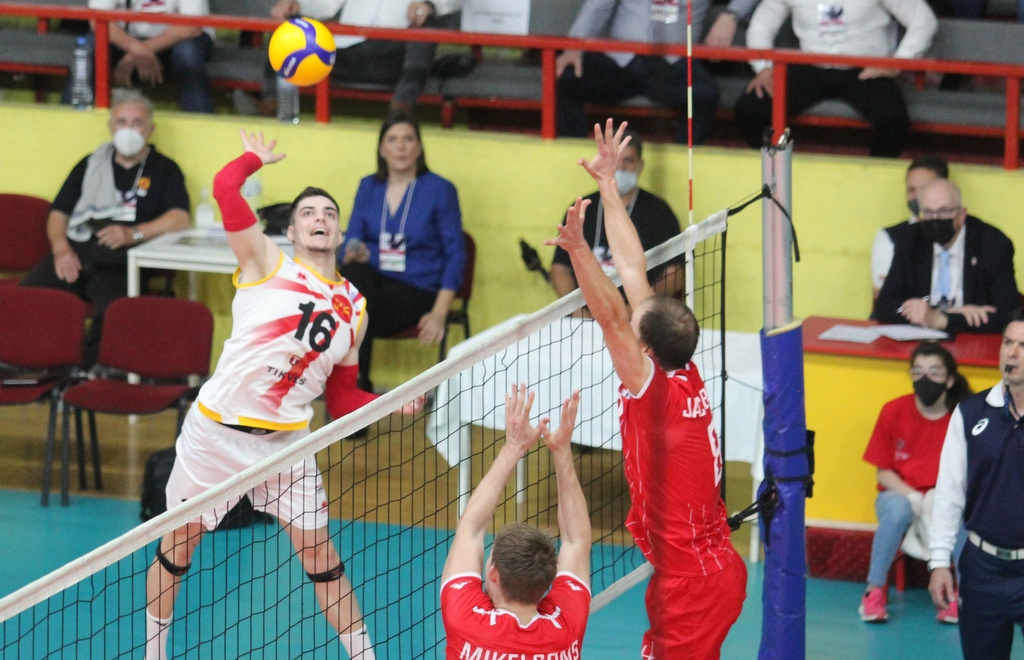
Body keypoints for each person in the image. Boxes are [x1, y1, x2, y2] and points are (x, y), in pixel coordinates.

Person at [143, 130, 418, 660]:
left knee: (322, 560)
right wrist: (255, 159)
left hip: (287, 448)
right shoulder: (265, 261)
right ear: (291, 230)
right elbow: (225, 188)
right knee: (179, 546)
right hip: (216, 435)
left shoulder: (355, 308)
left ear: (339, 231)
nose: (320, 218)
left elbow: (341, 401)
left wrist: (386, 402)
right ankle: (154, 655)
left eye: (330, 213)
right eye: (309, 212)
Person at [547, 119, 745, 658]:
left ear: (647, 351)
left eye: (638, 328)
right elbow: (635, 270)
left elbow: (613, 319)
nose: (633, 319)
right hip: (706, 569)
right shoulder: (684, 368)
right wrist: (608, 187)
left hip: (692, 585)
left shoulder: (655, 392)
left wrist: (578, 251)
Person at [20, 89, 190, 367]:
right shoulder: (90, 164)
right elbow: (58, 213)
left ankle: (83, 372)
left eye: (137, 123)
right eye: (121, 122)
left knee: (113, 309)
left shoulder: (164, 169)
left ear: (150, 129)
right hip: (79, 250)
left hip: (122, 259)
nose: (128, 130)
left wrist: (132, 234)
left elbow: (179, 218)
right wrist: (61, 249)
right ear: (111, 126)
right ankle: (27, 364)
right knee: (26, 296)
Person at [440, 385, 591, 659]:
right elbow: (576, 541)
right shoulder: (565, 629)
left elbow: (470, 529)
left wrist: (513, 447)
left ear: (494, 574)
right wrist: (561, 450)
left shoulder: (465, 619)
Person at [338, 111, 465, 391]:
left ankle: (353, 389)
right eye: (392, 140)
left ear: (419, 147)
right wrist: (354, 250)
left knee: (353, 311)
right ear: (381, 148)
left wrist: (439, 312)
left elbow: (456, 255)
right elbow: (352, 238)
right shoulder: (368, 186)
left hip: (417, 289)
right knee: (352, 279)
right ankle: (356, 385)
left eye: (408, 139)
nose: (401, 147)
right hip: (372, 281)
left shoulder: (440, 190)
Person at [928, 310, 1024, 660]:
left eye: (1022, 346)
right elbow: (949, 492)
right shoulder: (969, 413)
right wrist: (939, 560)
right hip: (982, 570)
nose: (1011, 353)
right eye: (1007, 343)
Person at [734, 0, 937, 157]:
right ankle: (777, 174)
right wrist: (763, 68)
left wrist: (898, 62)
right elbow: (761, 26)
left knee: (893, 121)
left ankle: (871, 180)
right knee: (749, 109)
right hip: (809, 67)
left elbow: (923, 19)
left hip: (865, 70)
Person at [859, 342, 971, 624]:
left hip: (946, 495)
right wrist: (913, 496)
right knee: (897, 511)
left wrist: (939, 498)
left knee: (962, 515)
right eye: (918, 371)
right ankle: (873, 592)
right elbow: (883, 473)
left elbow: (970, 474)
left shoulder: (963, 417)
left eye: (934, 372)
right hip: (899, 493)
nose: (925, 379)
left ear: (949, 379)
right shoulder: (893, 410)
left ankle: (960, 596)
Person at [555, 0, 763, 146]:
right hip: (621, 59)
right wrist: (575, 46)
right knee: (567, 78)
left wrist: (731, 15)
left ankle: (681, 165)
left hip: (674, 64)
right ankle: (575, 157)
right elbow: (598, 5)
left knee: (703, 95)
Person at [234, 0, 461, 116]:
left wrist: (428, 5)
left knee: (426, 26)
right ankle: (272, 103)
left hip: (392, 56)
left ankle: (401, 109)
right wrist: (296, 4)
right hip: (344, 51)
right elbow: (326, 4)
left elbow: (452, 2)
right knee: (291, 26)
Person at [550, 127, 684, 307]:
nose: (620, 168)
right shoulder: (582, 208)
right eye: (615, 160)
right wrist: (576, 311)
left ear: (640, 165)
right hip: (585, 314)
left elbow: (675, 273)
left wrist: (639, 307)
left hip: (638, 312)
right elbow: (560, 267)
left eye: (628, 160)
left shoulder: (659, 211)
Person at [874, 179, 1019, 334]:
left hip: (970, 338)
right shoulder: (910, 241)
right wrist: (935, 314)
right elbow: (886, 306)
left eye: (943, 211)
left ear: (962, 215)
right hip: (921, 338)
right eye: (928, 212)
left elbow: (1008, 315)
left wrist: (945, 319)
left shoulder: (992, 245)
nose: (935, 218)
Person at [84, 0, 214, 113]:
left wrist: (138, 52)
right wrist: (136, 49)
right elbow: (96, 20)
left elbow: (191, 27)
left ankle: (201, 122)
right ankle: (78, 117)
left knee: (187, 54)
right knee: (87, 48)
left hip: (179, 40)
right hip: (126, 41)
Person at [871, 155, 949, 299]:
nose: (917, 196)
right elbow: (886, 293)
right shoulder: (889, 237)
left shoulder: (962, 233)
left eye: (924, 188)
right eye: (911, 190)